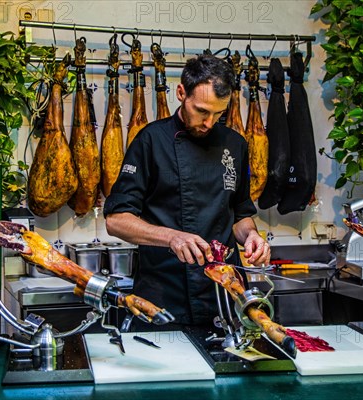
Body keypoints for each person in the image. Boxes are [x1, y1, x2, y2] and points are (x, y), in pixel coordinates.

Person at [104, 54, 270, 327]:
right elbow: (116, 220)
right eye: (202, 111)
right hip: (163, 295)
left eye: (219, 113)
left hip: (223, 297)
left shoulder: (235, 144)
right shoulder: (150, 140)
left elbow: (240, 213)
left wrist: (252, 236)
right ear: (181, 92)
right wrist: (172, 238)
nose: (209, 122)